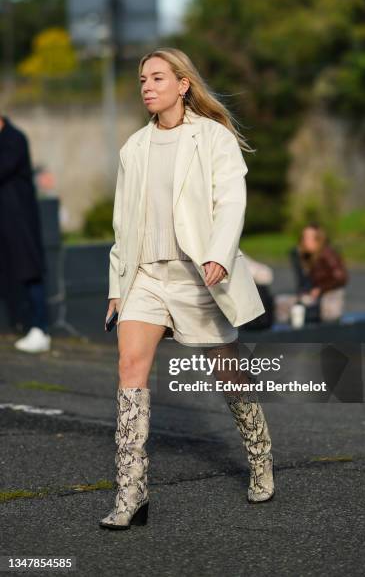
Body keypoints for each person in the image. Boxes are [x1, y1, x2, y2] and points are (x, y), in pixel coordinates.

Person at [99, 48, 275, 530]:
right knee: (130, 367)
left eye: (157, 77)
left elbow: (231, 200)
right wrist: (118, 286)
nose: (147, 87)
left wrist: (218, 252)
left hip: (199, 276)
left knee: (228, 373)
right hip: (146, 277)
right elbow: (122, 224)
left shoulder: (212, 137)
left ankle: (260, 456)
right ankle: (131, 493)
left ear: (182, 85)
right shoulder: (133, 148)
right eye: (141, 80)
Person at [0, 115, 51, 352]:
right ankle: (25, 325)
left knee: (29, 271)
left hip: (19, 222)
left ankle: (40, 327)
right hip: (7, 223)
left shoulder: (14, 139)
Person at [275, 222, 349, 324]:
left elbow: (341, 277)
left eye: (309, 238)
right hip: (311, 296)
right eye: (304, 237)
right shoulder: (305, 256)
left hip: (328, 297)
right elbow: (302, 282)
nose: (305, 241)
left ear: (319, 239)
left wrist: (321, 288)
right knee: (280, 302)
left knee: (321, 314)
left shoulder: (327, 253)